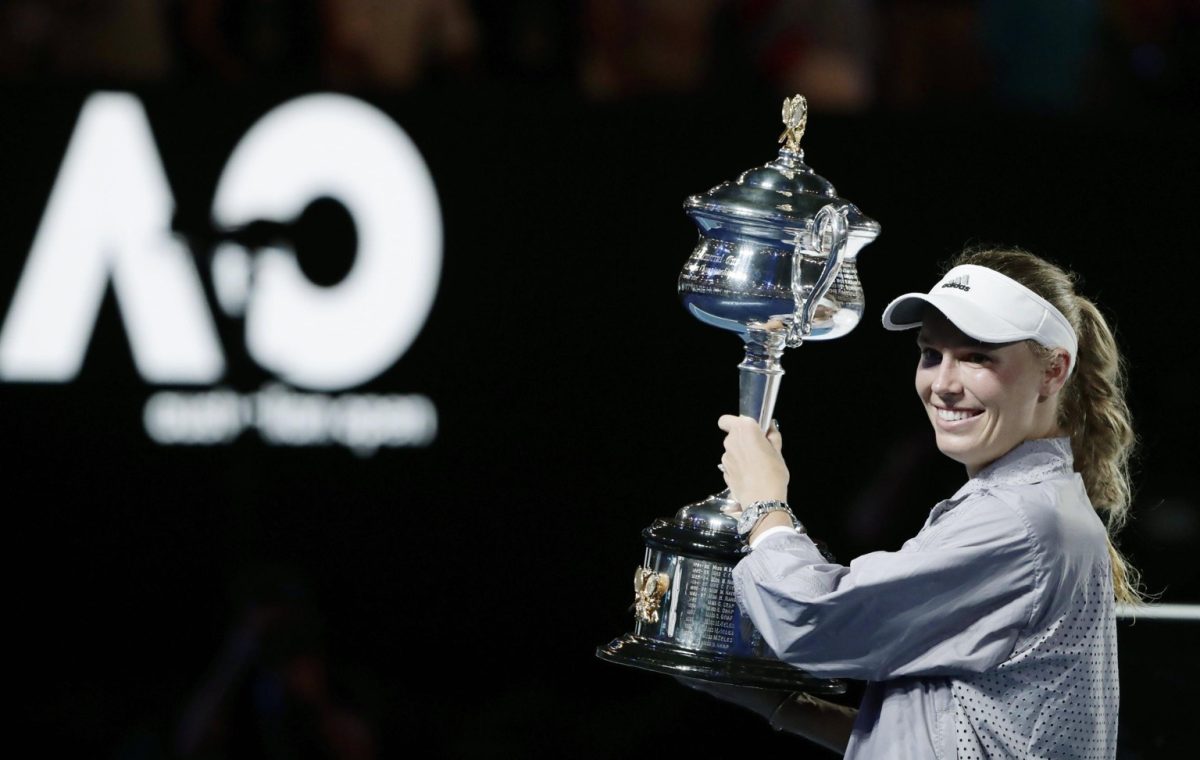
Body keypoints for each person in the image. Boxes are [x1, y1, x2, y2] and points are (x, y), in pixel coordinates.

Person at [688, 247, 1139, 758]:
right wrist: (778, 702)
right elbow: (944, 731)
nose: (943, 384)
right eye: (931, 354)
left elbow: (814, 623)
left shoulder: (1020, 519)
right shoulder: (1030, 505)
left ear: (1054, 371)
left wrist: (764, 505)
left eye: (977, 357)